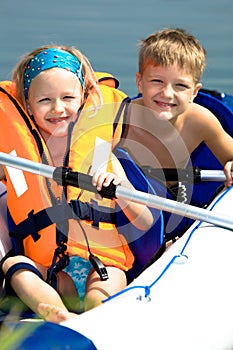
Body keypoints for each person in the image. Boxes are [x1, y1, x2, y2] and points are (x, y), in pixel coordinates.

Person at [0, 45, 153, 323]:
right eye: (45, 100)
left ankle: (97, 314)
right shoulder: (14, 159)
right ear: (27, 104)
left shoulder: (101, 154)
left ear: (83, 98)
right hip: (51, 272)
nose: (58, 108)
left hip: (104, 265)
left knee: (99, 294)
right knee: (14, 264)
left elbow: (144, 221)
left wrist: (120, 190)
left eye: (68, 97)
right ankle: (55, 313)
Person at [118, 28, 233, 237]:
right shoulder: (120, 121)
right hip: (132, 207)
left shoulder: (199, 121)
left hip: (179, 202)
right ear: (139, 82)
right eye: (156, 81)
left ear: (194, 92)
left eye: (180, 85)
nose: (167, 93)